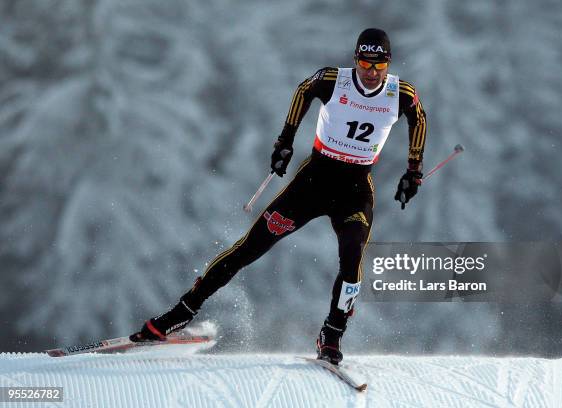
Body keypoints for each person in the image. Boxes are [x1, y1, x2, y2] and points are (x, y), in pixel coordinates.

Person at [130, 28, 427, 365]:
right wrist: (284, 141)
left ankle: (331, 334)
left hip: (355, 190)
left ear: (389, 63)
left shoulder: (400, 93)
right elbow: (304, 90)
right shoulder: (334, 80)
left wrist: (413, 169)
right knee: (248, 248)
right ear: (355, 59)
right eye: (364, 63)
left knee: (352, 257)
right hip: (313, 182)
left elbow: (419, 118)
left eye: (379, 66)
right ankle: (180, 313)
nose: (372, 73)